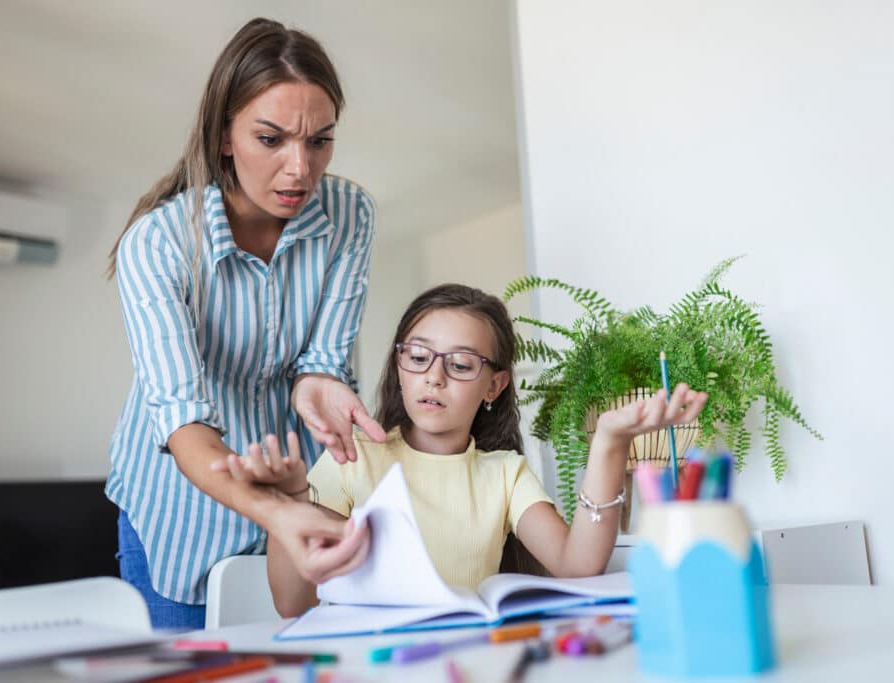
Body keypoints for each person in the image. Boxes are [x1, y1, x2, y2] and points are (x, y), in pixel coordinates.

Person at [105, 17, 383, 629]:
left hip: (300, 493)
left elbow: (322, 362)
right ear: (225, 135)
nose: (299, 170)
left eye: (319, 142)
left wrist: (320, 388)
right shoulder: (159, 243)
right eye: (271, 139)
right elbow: (183, 422)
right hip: (178, 511)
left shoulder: (349, 214)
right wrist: (275, 512)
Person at [218, 284, 708, 617]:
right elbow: (292, 603)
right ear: (400, 364)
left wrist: (609, 442)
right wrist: (289, 505)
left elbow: (578, 565)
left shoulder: (505, 473)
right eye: (418, 356)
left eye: (460, 364)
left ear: (494, 385)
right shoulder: (355, 456)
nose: (434, 376)